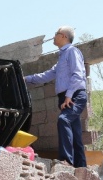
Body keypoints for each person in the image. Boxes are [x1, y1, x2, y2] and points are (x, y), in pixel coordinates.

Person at [24, 26, 88, 167]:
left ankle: (65, 162)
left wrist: (69, 96)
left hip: (74, 95)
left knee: (63, 120)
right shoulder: (62, 57)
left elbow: (78, 75)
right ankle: (81, 168)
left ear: (64, 36)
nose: (54, 36)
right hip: (67, 97)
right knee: (76, 133)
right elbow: (47, 75)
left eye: (56, 34)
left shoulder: (72, 51)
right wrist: (26, 79)